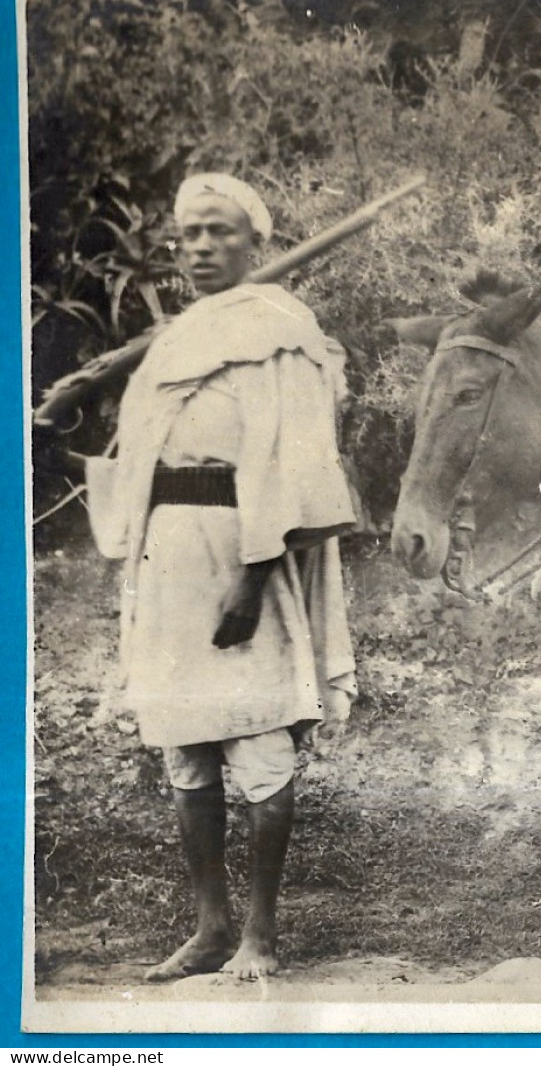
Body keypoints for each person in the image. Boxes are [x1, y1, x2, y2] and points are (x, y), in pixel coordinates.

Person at [85, 174, 357, 980]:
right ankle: (210, 926)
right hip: (168, 552)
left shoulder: (283, 332)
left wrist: (253, 572)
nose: (199, 248)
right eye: (188, 235)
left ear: (255, 243)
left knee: (258, 738)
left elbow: (294, 460)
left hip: (245, 547)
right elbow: (144, 453)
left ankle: (260, 935)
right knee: (187, 746)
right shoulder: (176, 337)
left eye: (218, 232)